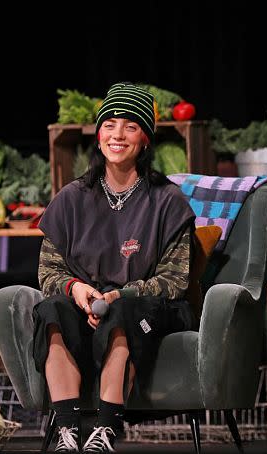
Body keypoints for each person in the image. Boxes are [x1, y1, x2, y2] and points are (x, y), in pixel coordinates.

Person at [33, 83, 196, 452]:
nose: (117, 135)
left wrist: (121, 293)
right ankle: (67, 431)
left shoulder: (167, 201)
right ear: (98, 134)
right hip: (84, 304)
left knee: (122, 311)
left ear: (145, 140)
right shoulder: (72, 197)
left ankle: (106, 430)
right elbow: (49, 272)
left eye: (130, 126)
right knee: (50, 308)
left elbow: (175, 279)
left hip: (145, 309)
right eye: (109, 124)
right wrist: (76, 290)